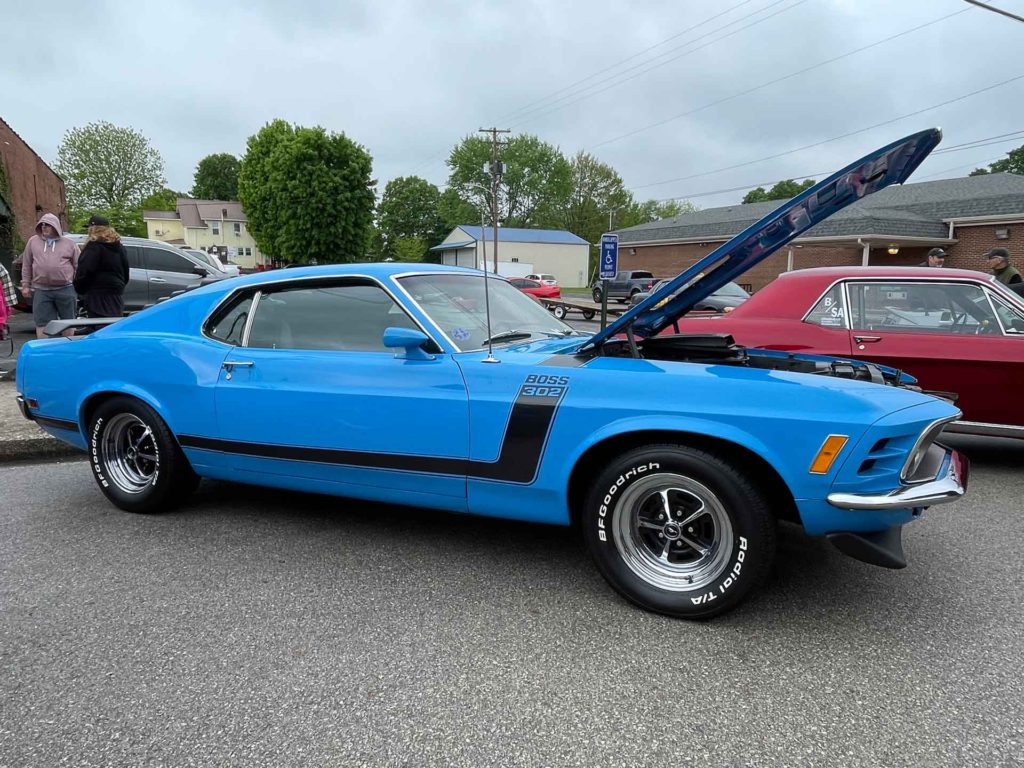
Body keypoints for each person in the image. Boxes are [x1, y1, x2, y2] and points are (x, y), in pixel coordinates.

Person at [19, 212, 79, 338]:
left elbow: (78, 265)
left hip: (65, 288)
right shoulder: (32, 242)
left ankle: (68, 350)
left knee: (68, 321)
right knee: (42, 322)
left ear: (55, 226)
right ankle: (44, 351)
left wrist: (76, 284)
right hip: (41, 290)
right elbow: (27, 264)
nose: (44, 227)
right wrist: (25, 285)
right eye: (42, 225)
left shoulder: (69, 243)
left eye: (48, 225)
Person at [74, 215, 130, 318]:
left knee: (98, 325)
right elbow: (125, 270)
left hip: (97, 294)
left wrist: (80, 288)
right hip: (115, 294)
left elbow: (85, 271)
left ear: (93, 229)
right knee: (112, 324)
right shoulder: (119, 247)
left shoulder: (93, 247)